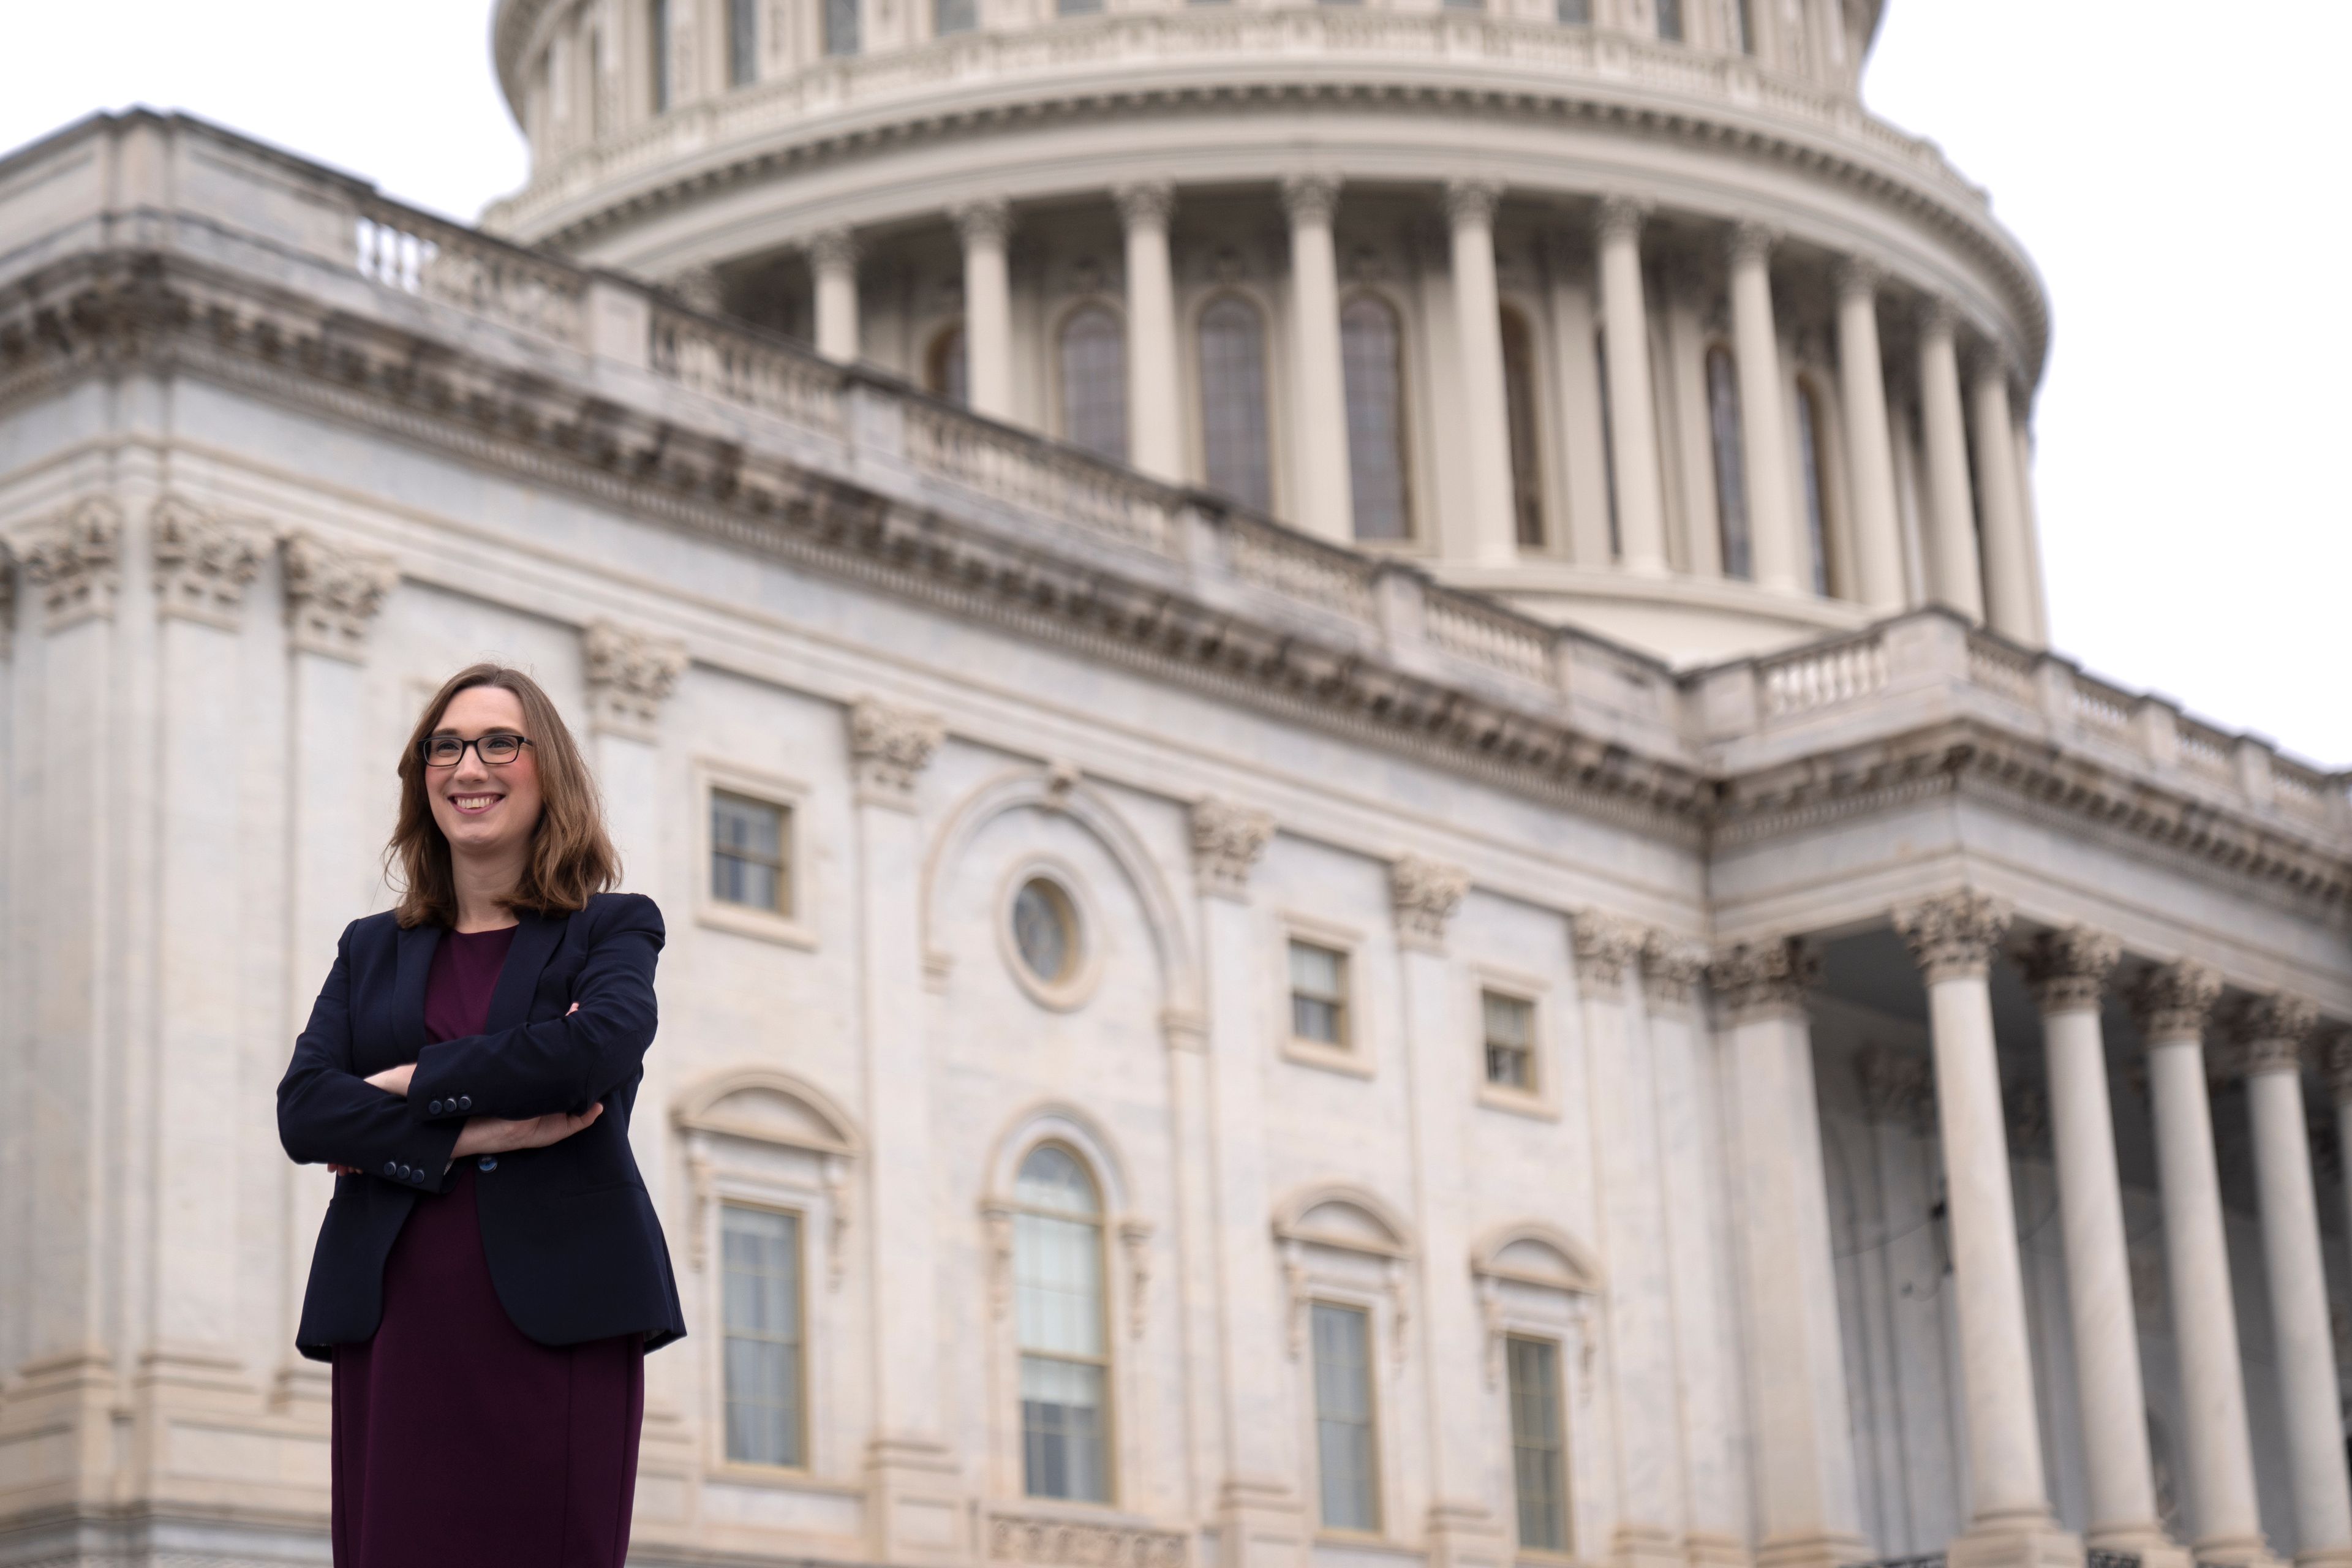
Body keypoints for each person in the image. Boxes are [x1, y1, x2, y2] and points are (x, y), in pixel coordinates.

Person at [277, 663, 687, 1567]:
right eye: (447, 746)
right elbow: (306, 1113)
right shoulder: (369, 949)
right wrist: (471, 1130)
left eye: (502, 742)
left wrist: (401, 1085)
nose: (472, 766)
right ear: (423, 777)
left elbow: (595, 1053)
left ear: (550, 772)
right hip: (399, 1319)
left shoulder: (613, 928)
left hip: (562, 1319)